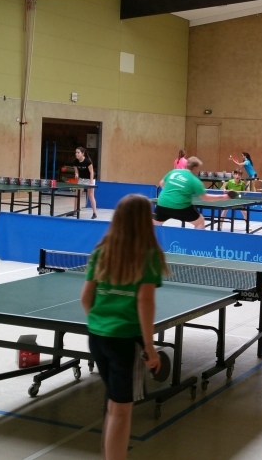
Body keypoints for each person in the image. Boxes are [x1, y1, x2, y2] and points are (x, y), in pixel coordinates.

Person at [80, 194, 171, 460]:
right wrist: (150, 347)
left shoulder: (101, 251)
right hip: (125, 341)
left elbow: (86, 298)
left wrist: (101, 323)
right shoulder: (148, 255)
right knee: (122, 410)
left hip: (97, 337)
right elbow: (144, 301)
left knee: (113, 403)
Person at [155, 157, 230, 229]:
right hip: (181, 207)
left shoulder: (174, 172)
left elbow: (161, 183)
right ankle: (197, 238)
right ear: (195, 168)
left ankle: (151, 237)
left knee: (154, 225)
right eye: (198, 168)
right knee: (200, 222)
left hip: (162, 203)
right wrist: (222, 197)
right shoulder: (195, 180)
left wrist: (171, 194)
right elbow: (205, 197)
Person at [72, 147, 99, 219]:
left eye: (78, 152)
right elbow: (76, 171)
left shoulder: (87, 161)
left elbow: (91, 172)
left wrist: (91, 182)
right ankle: (75, 211)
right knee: (77, 195)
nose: (76, 154)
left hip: (89, 179)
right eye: (76, 152)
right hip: (81, 180)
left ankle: (94, 213)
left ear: (82, 153)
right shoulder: (75, 162)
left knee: (91, 195)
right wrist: (76, 174)